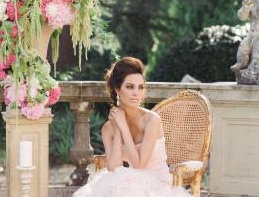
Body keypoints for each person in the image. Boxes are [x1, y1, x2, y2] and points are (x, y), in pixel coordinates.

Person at [73, 57, 192, 197]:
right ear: (117, 90)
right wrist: (117, 129)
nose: (136, 93)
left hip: (158, 184)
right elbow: (113, 168)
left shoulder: (151, 120)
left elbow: (139, 164)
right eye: (130, 87)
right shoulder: (109, 128)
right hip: (130, 181)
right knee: (113, 185)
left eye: (140, 87)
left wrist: (123, 127)